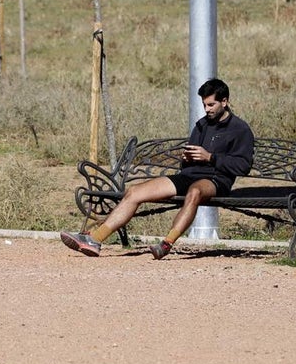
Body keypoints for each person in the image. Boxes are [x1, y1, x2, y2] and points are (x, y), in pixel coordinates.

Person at [60, 78, 254, 260]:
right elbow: (188, 161)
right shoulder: (202, 125)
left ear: (225, 102)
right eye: (204, 104)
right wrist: (186, 159)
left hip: (216, 180)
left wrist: (211, 157)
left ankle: (166, 244)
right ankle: (94, 240)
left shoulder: (240, 129)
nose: (206, 109)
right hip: (188, 175)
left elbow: (244, 166)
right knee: (135, 192)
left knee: (194, 192)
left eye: (211, 105)